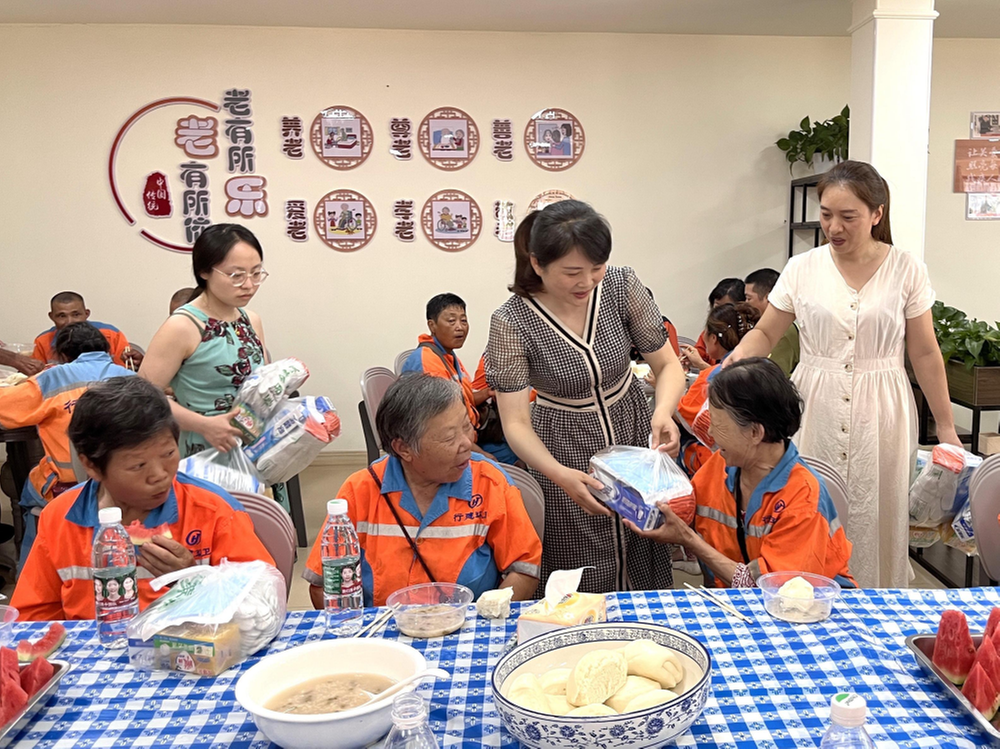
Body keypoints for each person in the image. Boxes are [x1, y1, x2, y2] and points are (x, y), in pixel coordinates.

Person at [727, 160, 960, 588]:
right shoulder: (803, 267)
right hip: (815, 400)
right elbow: (765, 332)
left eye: (848, 216)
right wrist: (734, 360)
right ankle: (802, 599)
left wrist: (946, 427)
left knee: (879, 512)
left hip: (884, 406)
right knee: (809, 505)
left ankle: (877, 608)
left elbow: (925, 352)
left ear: (877, 214)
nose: (834, 227)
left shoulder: (906, 268)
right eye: (827, 214)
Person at [487, 200, 686, 594]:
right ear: (537, 264)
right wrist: (559, 475)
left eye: (596, 267)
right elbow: (514, 422)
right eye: (572, 272)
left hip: (631, 432)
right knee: (578, 557)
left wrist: (663, 412)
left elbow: (668, 366)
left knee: (640, 536)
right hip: (561, 446)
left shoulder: (621, 286)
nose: (587, 282)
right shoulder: (511, 321)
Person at [11, 376, 273, 621]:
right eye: (138, 466)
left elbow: (264, 605)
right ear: (91, 465)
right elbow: (33, 618)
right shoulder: (58, 517)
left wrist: (193, 581)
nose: (160, 475)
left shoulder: (214, 511)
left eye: (169, 454)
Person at [303, 375, 541, 607]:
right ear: (403, 448)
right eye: (449, 437)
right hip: (381, 635)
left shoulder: (490, 484)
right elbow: (324, 584)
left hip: (466, 630)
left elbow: (524, 569)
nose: (467, 443)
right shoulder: (361, 491)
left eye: (466, 426)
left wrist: (487, 617)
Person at [629, 358, 855, 589]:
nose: (709, 432)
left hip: (802, 610)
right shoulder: (720, 465)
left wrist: (688, 540)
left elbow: (772, 591)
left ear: (755, 432)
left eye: (718, 425)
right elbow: (683, 508)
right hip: (734, 603)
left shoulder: (803, 499)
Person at [0, 323, 135, 563]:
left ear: (62, 355)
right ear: (107, 350)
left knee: (29, 487)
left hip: (66, 487)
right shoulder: (132, 379)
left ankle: (31, 570)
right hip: (124, 488)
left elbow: (6, 407)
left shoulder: (53, 379)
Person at [139, 224, 270, 459]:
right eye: (236, 275)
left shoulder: (251, 320)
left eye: (256, 273)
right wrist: (204, 425)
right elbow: (144, 397)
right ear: (204, 271)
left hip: (257, 448)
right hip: (205, 450)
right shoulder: (183, 326)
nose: (249, 285)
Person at [401, 294, 517, 465]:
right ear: (432, 325)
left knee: (517, 445)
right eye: (451, 321)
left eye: (463, 321)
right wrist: (481, 454)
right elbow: (439, 422)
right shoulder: (427, 362)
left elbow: (462, 399)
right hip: (445, 443)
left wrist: (486, 393)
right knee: (514, 457)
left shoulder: (447, 355)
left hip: (469, 432)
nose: (460, 327)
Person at [676, 302, 760, 476]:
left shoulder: (714, 375)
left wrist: (660, 386)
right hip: (757, 456)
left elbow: (682, 416)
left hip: (721, 462)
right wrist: (701, 365)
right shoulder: (761, 365)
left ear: (713, 338)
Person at [31, 292, 140, 369]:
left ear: (86, 314)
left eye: (76, 314)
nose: (70, 322)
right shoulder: (42, 341)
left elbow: (123, 371)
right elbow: (37, 377)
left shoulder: (111, 335)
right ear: (51, 317)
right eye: (61, 316)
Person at [744, 268, 799, 376]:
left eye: (748, 298)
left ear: (768, 297)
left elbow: (775, 376)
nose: (745, 304)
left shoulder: (782, 330)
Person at [683, 278, 745, 372]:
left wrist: (702, 365)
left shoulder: (748, 339)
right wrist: (690, 358)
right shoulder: (709, 332)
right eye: (717, 307)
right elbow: (699, 353)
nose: (719, 313)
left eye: (726, 308)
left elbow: (730, 379)